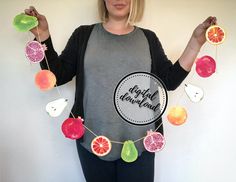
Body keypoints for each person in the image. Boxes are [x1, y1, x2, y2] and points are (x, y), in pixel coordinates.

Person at [24, 1, 217, 182]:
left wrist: (195, 43)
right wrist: (43, 35)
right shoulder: (83, 35)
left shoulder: (148, 38)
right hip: (92, 142)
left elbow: (169, 80)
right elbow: (58, 75)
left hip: (142, 141)